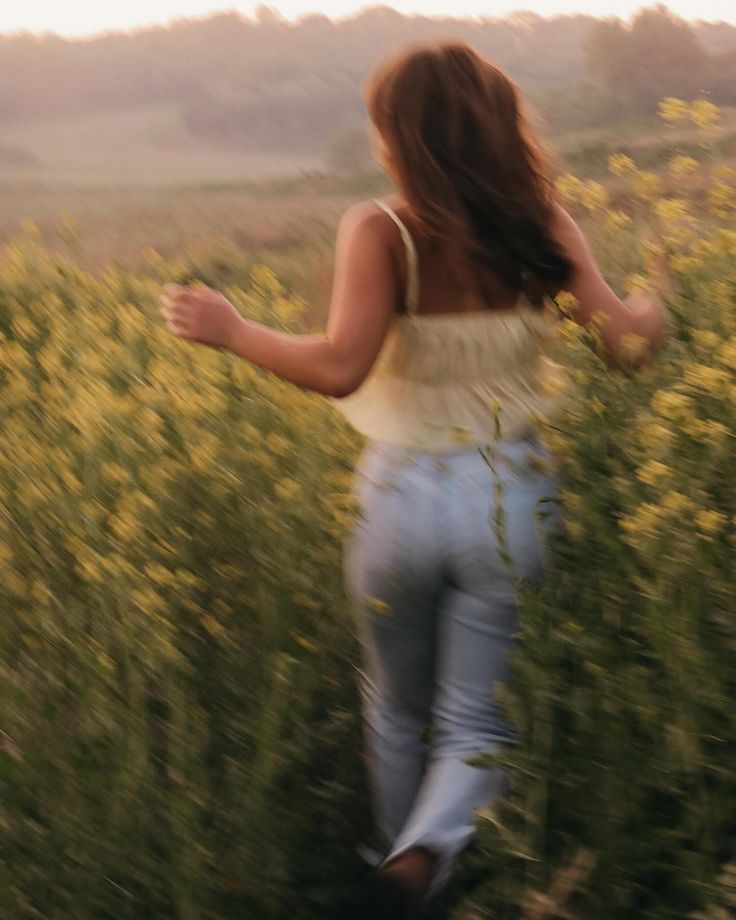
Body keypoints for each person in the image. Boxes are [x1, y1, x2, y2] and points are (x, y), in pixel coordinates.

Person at [160, 39, 669, 919]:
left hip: (398, 501)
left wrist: (234, 328)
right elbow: (623, 345)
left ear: (399, 135)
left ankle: (399, 877)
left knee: (395, 712)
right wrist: (661, 298)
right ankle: (421, 861)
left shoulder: (381, 229)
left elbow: (338, 368)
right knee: (476, 723)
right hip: (509, 502)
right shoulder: (541, 222)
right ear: (498, 125)